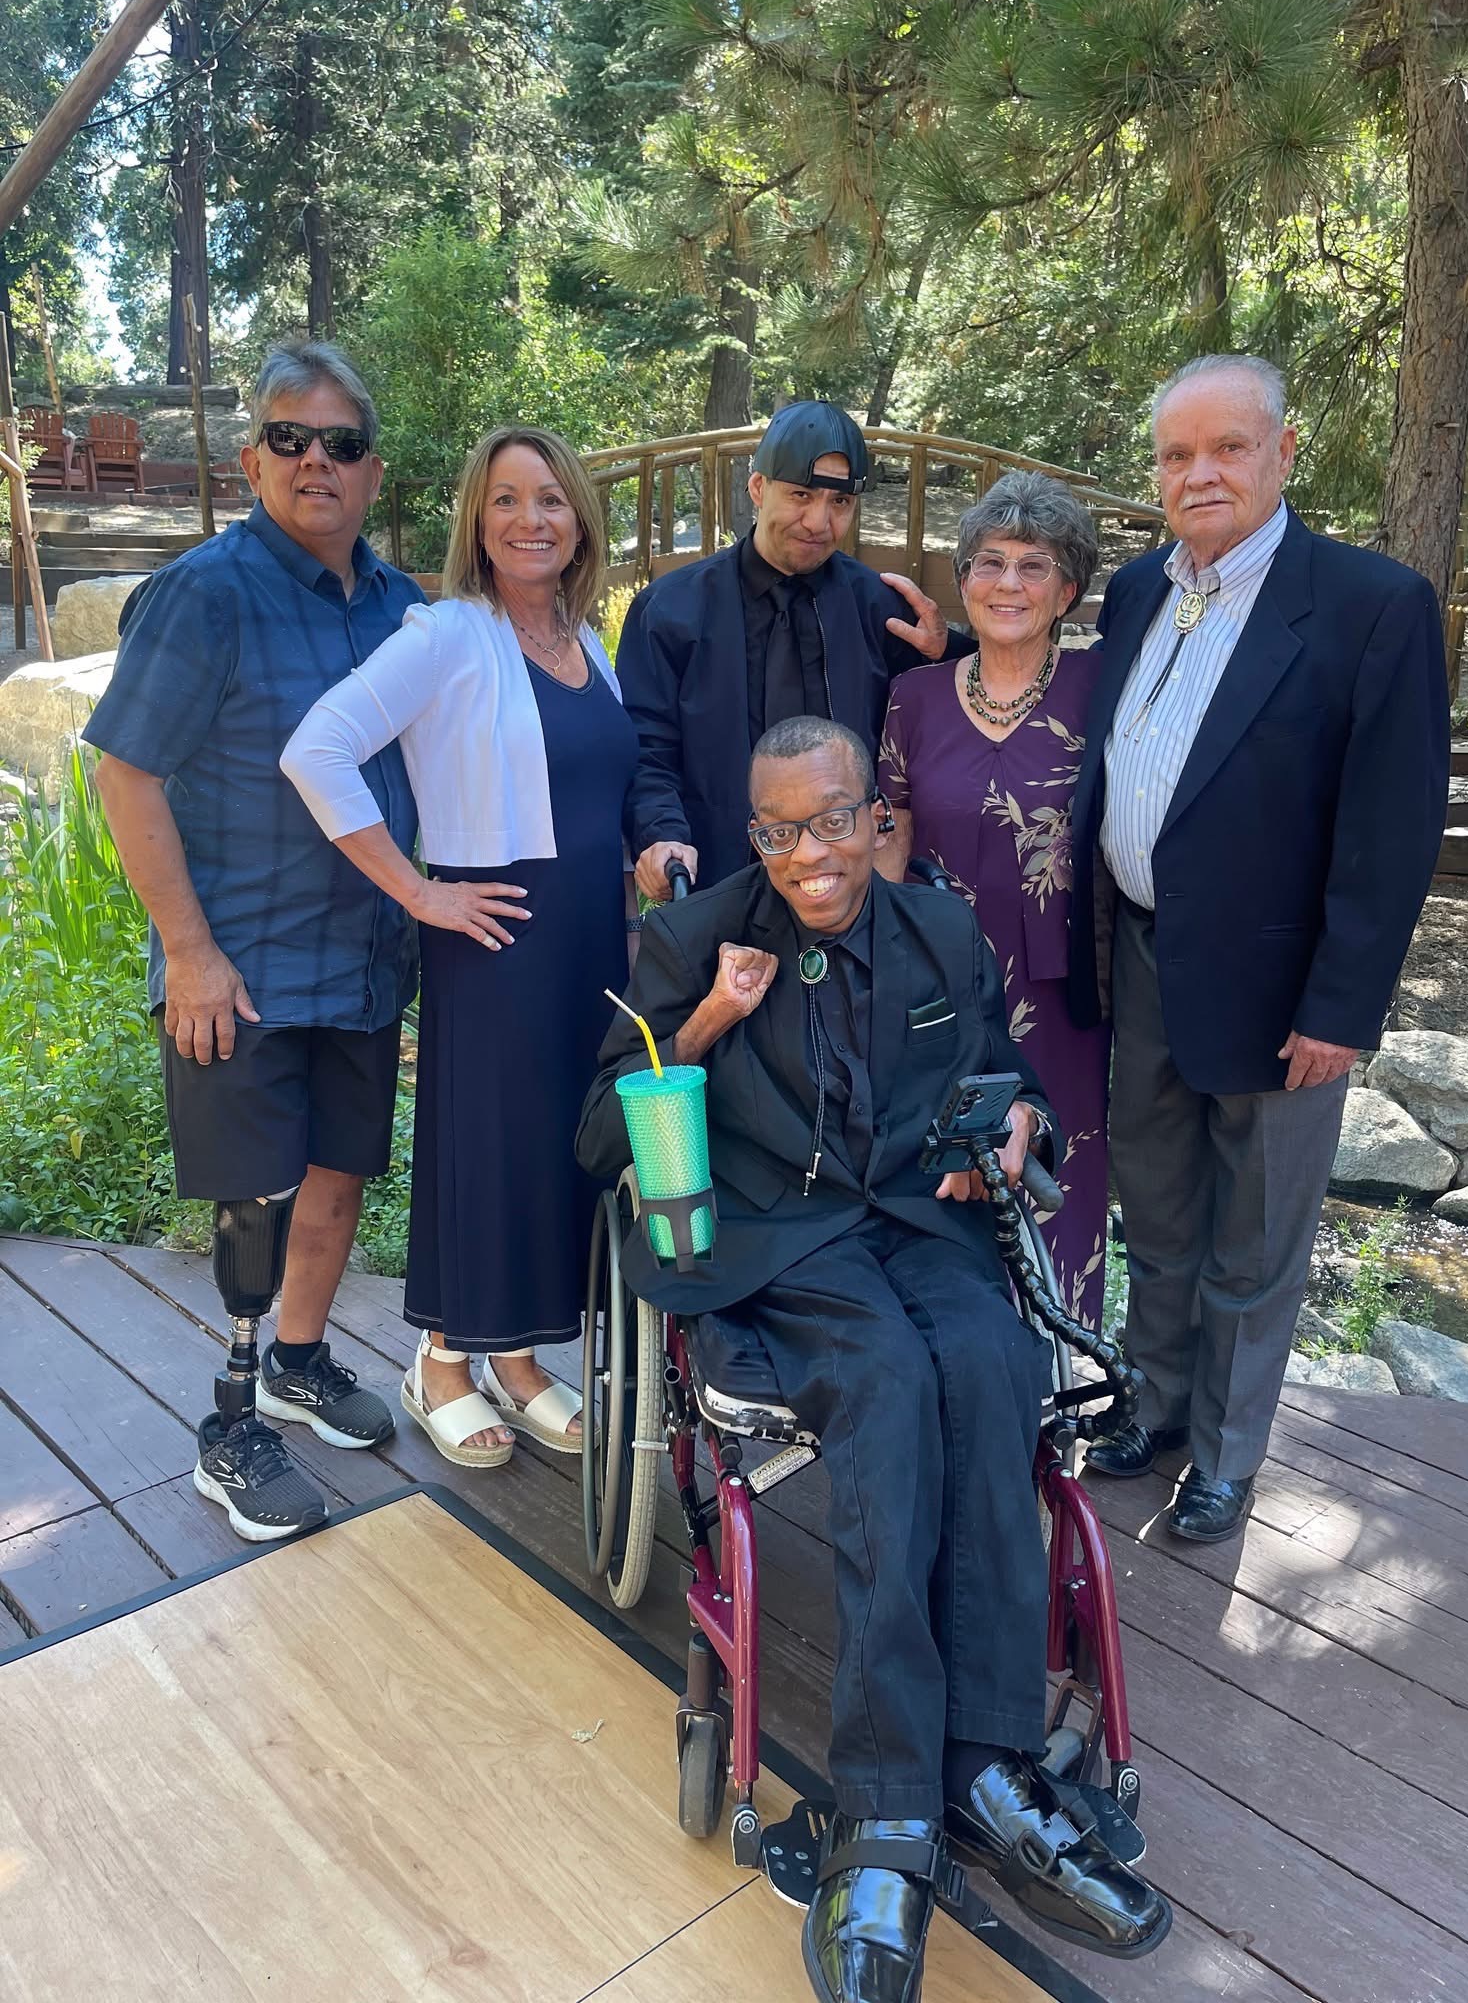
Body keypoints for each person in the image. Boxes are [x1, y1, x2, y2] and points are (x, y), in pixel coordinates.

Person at [577, 716, 1170, 2003]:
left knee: (996, 1362)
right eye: (780, 830)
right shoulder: (692, 940)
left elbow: (1012, 1080)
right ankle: (888, 1803)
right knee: (888, 1383)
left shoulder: (939, 931)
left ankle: (987, 1763)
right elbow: (601, 1135)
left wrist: (1016, 1127)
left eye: (835, 819)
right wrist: (712, 1015)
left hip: (918, 1219)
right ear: (754, 834)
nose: (812, 854)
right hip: (779, 1238)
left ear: (874, 814)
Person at [1069, 353, 1450, 1542]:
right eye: (1177, 454)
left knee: (1257, 1233)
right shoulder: (1138, 589)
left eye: (1228, 447)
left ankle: (1227, 1455)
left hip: (1283, 988)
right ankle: (1154, 1405)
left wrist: (1342, 1006)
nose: (1201, 473)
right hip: (1142, 957)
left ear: (1284, 452)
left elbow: (1393, 830)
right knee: (1159, 1211)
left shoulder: (1371, 605)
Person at [84, 339, 417, 1541]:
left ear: (372, 470)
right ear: (252, 458)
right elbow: (126, 774)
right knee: (255, 1201)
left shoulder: (403, 606)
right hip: (241, 968)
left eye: (341, 443)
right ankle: (230, 1427)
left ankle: (299, 1360)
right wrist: (188, 951)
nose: (317, 460)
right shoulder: (205, 595)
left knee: (338, 1174)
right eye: (291, 437)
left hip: (364, 962)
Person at [283, 427, 636, 1465]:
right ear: (477, 522)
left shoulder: (586, 640)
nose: (531, 519)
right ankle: (441, 1359)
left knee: (559, 1146)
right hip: (499, 932)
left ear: (580, 519)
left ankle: (515, 1360)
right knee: (492, 1147)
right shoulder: (445, 634)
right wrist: (414, 889)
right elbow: (317, 748)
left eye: (551, 499)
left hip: (589, 937)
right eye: (507, 500)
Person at [877, 470, 1111, 1327]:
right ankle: (959, 1356)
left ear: (1067, 592)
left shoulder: (1103, 687)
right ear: (964, 580)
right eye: (990, 563)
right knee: (943, 1176)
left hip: (1065, 993)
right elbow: (891, 833)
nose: (1008, 583)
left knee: (1057, 1181)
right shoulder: (915, 696)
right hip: (938, 988)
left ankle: (1060, 1368)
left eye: (1034, 566)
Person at [618, 400, 965, 898]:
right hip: (718, 882)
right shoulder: (671, 610)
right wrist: (661, 834)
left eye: (839, 502)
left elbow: (964, 709)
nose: (818, 522)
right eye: (801, 494)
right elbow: (647, 746)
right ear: (758, 487)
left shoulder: (879, 607)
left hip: (850, 889)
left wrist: (941, 652)